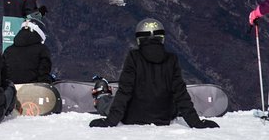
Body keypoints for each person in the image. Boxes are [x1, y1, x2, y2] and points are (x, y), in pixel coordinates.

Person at [89, 18, 219, 129]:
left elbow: (124, 92)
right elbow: (181, 94)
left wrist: (110, 122)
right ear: (161, 38)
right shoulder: (172, 59)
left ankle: (102, 96)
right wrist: (196, 123)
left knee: (111, 103)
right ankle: (177, 108)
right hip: (163, 117)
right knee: (174, 99)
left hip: (132, 117)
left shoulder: (133, 57)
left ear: (139, 39)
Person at [2, 16, 54, 84]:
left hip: (11, 91)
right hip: (34, 91)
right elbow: (43, 76)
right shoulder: (42, 50)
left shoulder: (8, 51)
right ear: (40, 34)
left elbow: (2, 75)